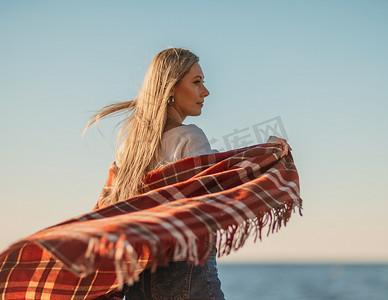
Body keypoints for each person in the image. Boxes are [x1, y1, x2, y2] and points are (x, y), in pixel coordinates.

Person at [84, 48, 291, 299]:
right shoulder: (190, 137)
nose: (205, 91)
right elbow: (218, 182)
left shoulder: (129, 149)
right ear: (171, 88)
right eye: (197, 82)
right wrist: (266, 154)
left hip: (140, 288)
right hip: (190, 284)